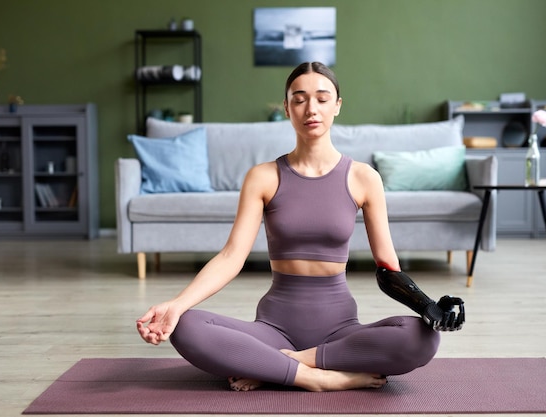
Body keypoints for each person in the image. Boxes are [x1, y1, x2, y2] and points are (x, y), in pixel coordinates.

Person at [136, 61, 465, 392]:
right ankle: (319, 378)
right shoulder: (263, 177)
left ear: (337, 105)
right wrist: (176, 305)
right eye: (299, 98)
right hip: (273, 327)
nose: (311, 109)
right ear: (286, 108)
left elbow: (388, 269)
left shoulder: (364, 178)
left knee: (422, 338)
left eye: (322, 98)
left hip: (341, 329)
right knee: (187, 325)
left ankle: (284, 363)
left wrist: (428, 307)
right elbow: (231, 257)